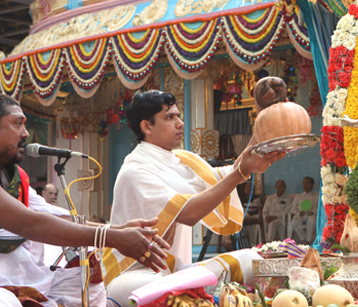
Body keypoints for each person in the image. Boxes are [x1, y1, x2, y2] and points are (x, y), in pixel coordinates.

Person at [0, 93, 169, 307]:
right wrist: (114, 238)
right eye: (17, 124)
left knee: (79, 274)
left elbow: (51, 215)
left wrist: (119, 231)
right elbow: (30, 224)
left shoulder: (7, 173)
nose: (26, 133)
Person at [105, 90, 284, 300]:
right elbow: (189, 213)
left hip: (174, 273)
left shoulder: (181, 160)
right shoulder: (136, 170)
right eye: (169, 117)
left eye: (178, 116)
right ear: (146, 126)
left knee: (255, 262)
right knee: (168, 290)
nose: (180, 123)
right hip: (132, 275)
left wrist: (262, 122)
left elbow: (228, 174)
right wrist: (240, 172)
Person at [289, 177, 318, 244]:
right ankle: (303, 239)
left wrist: (313, 212)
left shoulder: (316, 196)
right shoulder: (298, 196)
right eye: (303, 183)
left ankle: (308, 240)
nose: (304, 185)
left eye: (307, 183)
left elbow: (319, 209)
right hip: (301, 215)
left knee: (312, 220)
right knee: (294, 221)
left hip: (312, 215)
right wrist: (299, 213)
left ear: (312, 185)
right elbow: (293, 209)